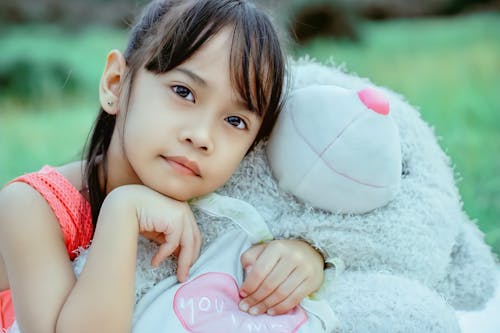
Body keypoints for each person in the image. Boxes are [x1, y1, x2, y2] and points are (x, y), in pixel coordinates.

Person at [0, 0, 325, 332]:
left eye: (235, 120)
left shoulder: (225, 203)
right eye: (183, 92)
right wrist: (124, 210)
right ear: (116, 84)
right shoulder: (33, 207)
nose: (201, 137)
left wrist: (307, 256)